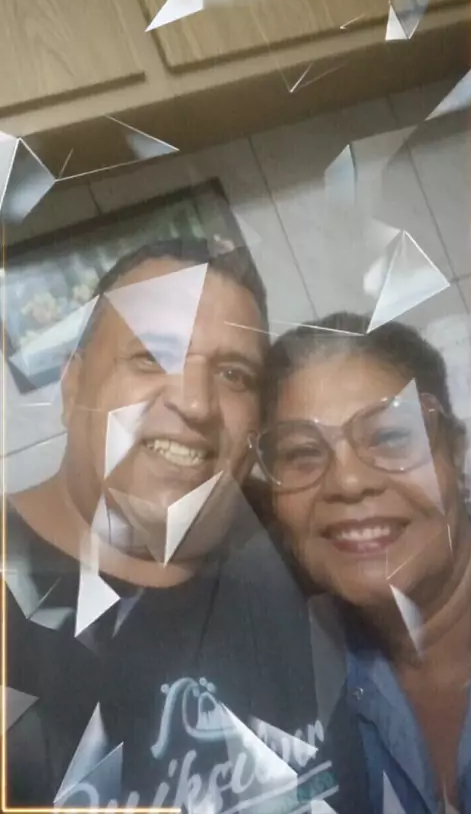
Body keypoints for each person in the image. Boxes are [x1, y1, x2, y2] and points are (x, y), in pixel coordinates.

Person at [3, 243, 369, 813]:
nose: (196, 403)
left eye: (233, 374)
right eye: (152, 356)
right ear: (73, 386)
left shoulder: (300, 546)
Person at [255, 311, 471, 814]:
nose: (348, 482)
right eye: (302, 454)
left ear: (455, 452)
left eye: (390, 437)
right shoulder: (301, 680)